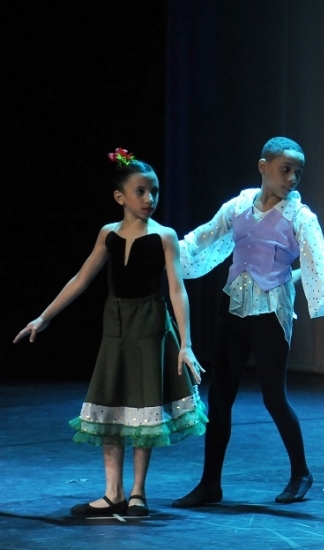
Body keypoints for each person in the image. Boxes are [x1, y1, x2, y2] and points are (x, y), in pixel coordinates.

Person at [172, 137, 324, 508]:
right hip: (234, 306)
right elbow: (203, 238)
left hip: (271, 311)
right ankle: (210, 483)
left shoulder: (301, 216)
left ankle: (301, 472)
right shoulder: (238, 206)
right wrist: (165, 249)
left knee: (273, 397)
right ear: (263, 166)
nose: (293, 178)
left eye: (298, 172)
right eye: (286, 170)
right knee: (220, 397)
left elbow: (318, 262)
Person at [14, 148, 206, 517]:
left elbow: (177, 290)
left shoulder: (164, 236)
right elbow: (81, 278)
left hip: (150, 327)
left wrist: (187, 344)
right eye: (140, 191)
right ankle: (112, 491)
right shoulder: (108, 234)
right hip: (116, 327)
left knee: (143, 406)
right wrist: (45, 317)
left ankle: (137, 493)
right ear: (120, 197)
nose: (149, 198)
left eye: (154, 191)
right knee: (111, 403)